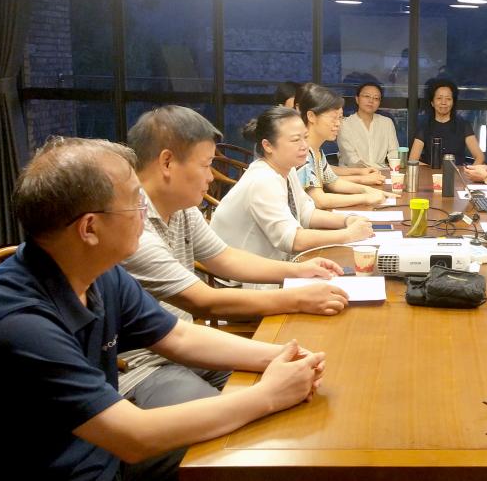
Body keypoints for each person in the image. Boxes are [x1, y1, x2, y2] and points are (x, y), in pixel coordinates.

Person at [0, 137, 327, 480]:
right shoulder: (18, 324)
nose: (145, 211)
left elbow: (178, 336)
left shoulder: (98, 273)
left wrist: (283, 356)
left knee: (260, 441)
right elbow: (134, 437)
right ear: (89, 228)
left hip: (98, 453)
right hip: (76, 464)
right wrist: (268, 395)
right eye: (134, 201)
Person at [119, 106, 349, 415]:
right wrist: (298, 298)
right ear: (167, 162)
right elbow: (204, 302)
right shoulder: (131, 228)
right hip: (146, 363)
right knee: (242, 421)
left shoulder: (182, 208)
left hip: (188, 345)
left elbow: (225, 257)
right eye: (206, 165)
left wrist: (299, 270)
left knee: (303, 389)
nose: (211, 176)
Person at [211, 106, 375, 265]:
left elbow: (305, 213)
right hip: (243, 276)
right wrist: (348, 235)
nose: (304, 146)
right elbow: (293, 240)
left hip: (274, 264)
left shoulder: (287, 168)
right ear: (268, 146)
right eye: (296, 140)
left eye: (305, 137)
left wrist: (347, 220)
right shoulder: (263, 180)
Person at [296, 84, 391, 207]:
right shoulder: (301, 152)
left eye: (340, 118)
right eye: (333, 118)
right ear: (311, 116)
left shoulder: (316, 151)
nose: (338, 124)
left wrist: (368, 190)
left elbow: (333, 182)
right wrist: (365, 197)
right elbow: (319, 200)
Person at [408, 78, 485, 165]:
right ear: (432, 102)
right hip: (432, 172)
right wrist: (430, 170)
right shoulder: (424, 126)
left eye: (448, 99)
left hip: (457, 172)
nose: (443, 102)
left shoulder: (463, 125)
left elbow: (480, 157)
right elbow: (413, 159)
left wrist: (469, 172)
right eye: (439, 98)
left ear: (453, 102)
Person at [336, 80, 400, 169]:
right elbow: (351, 158)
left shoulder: (387, 123)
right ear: (357, 99)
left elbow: (394, 152)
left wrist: (394, 168)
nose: (371, 101)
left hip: (380, 173)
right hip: (352, 173)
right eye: (367, 96)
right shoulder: (344, 124)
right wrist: (373, 170)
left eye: (376, 98)